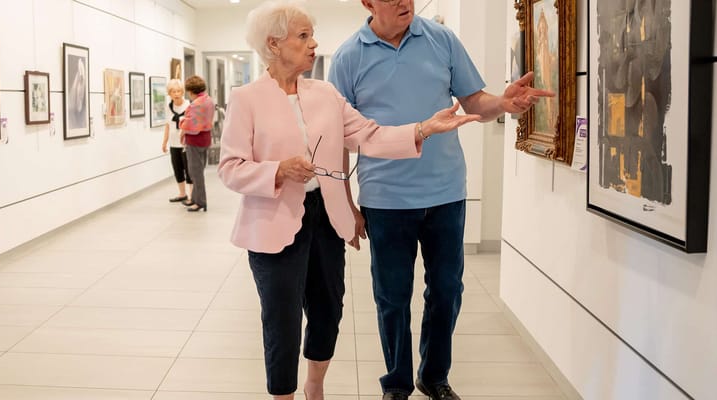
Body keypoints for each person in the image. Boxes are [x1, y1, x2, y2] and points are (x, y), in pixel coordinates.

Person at [218, 1, 480, 399]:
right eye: (303, 36)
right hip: (272, 222)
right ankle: (283, 395)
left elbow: (370, 135)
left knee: (328, 312)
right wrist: (276, 170)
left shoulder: (324, 94)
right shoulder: (246, 98)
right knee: (282, 320)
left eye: (312, 35)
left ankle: (314, 386)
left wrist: (423, 128)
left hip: (324, 217)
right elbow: (230, 167)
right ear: (273, 44)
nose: (314, 44)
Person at [328, 1, 555, 399]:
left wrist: (501, 103)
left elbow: (474, 102)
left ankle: (433, 376)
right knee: (392, 297)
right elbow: (336, 140)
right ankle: (396, 383)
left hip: (446, 192)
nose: (405, 2)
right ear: (367, 2)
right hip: (386, 199)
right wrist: (345, 205)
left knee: (447, 289)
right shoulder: (348, 57)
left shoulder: (442, 39)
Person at [179, 75, 214, 212]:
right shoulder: (209, 100)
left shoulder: (196, 104)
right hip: (205, 139)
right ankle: (194, 198)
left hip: (195, 140)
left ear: (192, 91)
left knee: (195, 172)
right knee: (198, 171)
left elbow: (190, 125)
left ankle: (200, 202)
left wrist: (182, 120)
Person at [161, 79, 192, 203]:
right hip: (174, 143)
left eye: (178, 91)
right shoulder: (169, 107)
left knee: (189, 170)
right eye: (173, 91)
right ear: (169, 93)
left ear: (183, 92)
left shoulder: (189, 105)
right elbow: (168, 126)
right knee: (177, 169)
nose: (176, 94)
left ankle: (192, 196)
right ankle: (182, 193)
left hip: (186, 143)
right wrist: (164, 142)